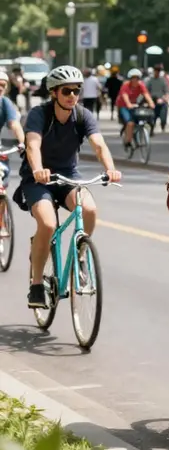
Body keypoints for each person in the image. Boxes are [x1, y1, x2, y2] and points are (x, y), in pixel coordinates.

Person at [16, 66, 121, 309]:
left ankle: (81, 256)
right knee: (48, 224)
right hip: (38, 178)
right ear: (54, 92)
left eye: (76, 90)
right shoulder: (39, 114)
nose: (72, 95)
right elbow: (32, 145)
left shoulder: (82, 115)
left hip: (68, 177)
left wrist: (110, 168)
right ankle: (36, 284)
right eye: (66, 91)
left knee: (90, 210)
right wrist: (38, 170)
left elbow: (99, 145)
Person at [0, 71, 25, 235]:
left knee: (1, 187)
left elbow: (14, 124)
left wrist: (24, 142)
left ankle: (0, 224)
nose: (0, 88)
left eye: (3, 85)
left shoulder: (5, 103)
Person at [116, 69, 155, 150]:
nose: (135, 80)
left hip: (134, 105)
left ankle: (137, 133)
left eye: (137, 78)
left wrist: (151, 103)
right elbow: (124, 96)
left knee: (141, 117)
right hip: (123, 106)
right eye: (133, 78)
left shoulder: (141, 85)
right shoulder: (125, 86)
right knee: (130, 123)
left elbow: (146, 94)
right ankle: (128, 141)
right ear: (130, 79)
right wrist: (128, 104)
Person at [146, 64, 169, 133]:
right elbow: (146, 91)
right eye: (156, 71)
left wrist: (165, 98)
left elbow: (167, 91)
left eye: (158, 71)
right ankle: (151, 128)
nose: (157, 72)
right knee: (151, 117)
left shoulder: (163, 80)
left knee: (163, 115)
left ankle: (163, 125)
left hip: (161, 101)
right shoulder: (150, 80)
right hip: (153, 101)